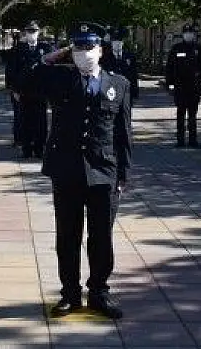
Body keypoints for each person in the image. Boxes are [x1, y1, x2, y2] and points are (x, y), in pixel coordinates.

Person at [21, 23, 131, 320]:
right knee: (67, 235)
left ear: (101, 50)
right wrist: (54, 56)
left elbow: (123, 133)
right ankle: (69, 293)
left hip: (104, 171)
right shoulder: (60, 79)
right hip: (67, 170)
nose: (84, 54)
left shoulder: (118, 84)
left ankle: (99, 292)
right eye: (78, 48)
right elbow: (27, 81)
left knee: (101, 237)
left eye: (89, 48)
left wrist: (123, 174)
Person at [10, 21, 55, 159]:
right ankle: (26, 149)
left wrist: (51, 91)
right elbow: (12, 71)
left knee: (41, 123)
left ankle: (39, 148)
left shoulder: (45, 49)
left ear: (38, 32)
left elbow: (51, 71)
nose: (31, 34)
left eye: (34, 31)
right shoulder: (18, 49)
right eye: (29, 31)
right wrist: (15, 90)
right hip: (24, 92)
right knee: (25, 121)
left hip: (40, 92)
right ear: (25, 33)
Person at [165, 24, 201, 148]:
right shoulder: (176, 48)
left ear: (193, 35)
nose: (188, 35)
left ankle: (192, 140)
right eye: (186, 33)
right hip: (180, 87)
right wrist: (170, 85)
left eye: (190, 33)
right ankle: (180, 140)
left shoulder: (199, 49)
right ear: (183, 34)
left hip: (194, 87)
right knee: (180, 114)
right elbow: (169, 68)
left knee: (192, 115)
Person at [102, 27, 139, 103]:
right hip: (111, 92)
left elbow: (134, 75)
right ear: (111, 42)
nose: (117, 43)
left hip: (127, 91)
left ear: (123, 42)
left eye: (119, 41)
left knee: (126, 113)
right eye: (115, 41)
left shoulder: (130, 56)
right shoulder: (105, 57)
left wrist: (135, 92)